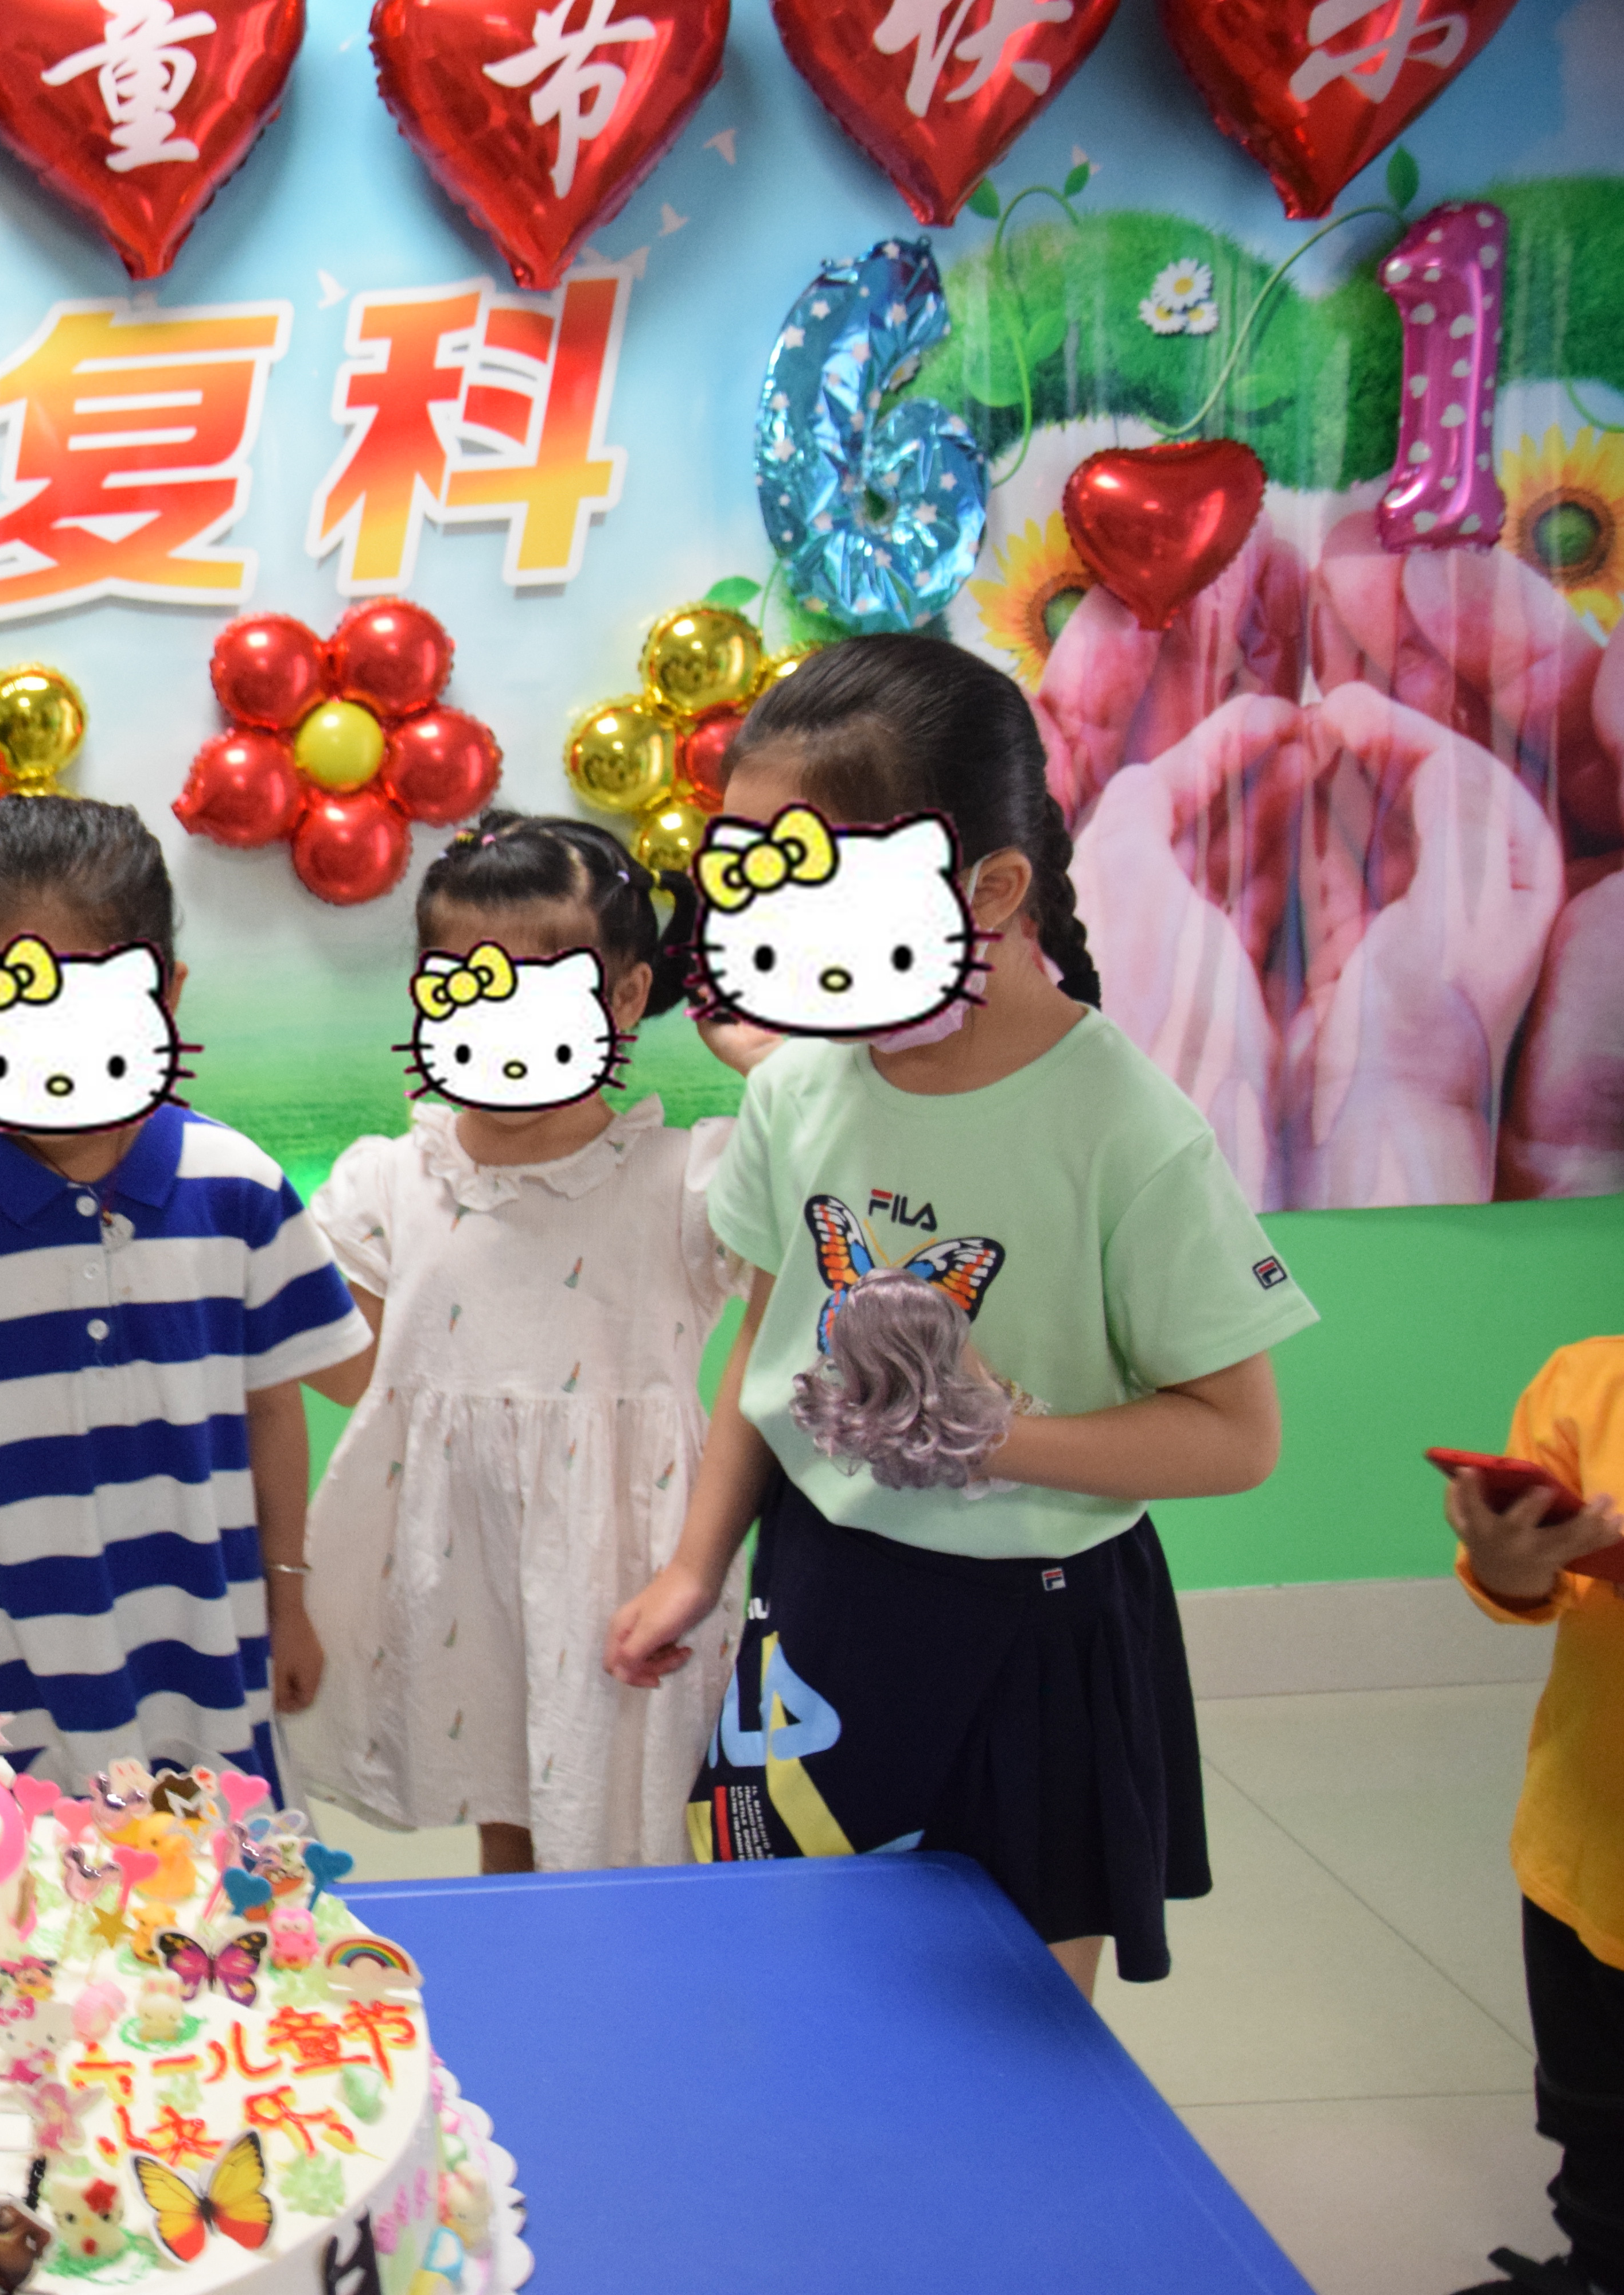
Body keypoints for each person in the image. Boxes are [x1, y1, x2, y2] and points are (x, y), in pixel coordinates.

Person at [605, 633, 1317, 1996]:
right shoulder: (798, 1086)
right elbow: (766, 1343)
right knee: (789, 1981)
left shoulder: (1127, 1130)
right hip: (820, 1592)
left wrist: (992, 1432)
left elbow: (1236, 1437)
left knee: (1006, 2026)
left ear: (990, 887)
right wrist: (699, 1563)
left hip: (1036, 1631)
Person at [0, 795, 369, 1792]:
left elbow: (273, 1405)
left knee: (228, 1888)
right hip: (19, 1726)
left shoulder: (238, 1188)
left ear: (166, 993)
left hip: (215, 1699)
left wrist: (288, 1592)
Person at [290, 812, 743, 1870]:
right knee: (505, 1796)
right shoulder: (394, 1179)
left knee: (627, 1811)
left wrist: (763, 1053)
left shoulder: (685, 1179)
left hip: (625, 1557)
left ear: (624, 997)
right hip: (461, 1561)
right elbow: (352, 1374)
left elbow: (812, 1193)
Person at [1443, 1341, 1624, 2295]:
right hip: (1585, 1841)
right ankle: (1599, 2264)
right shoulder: (1588, 1382)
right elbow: (1526, 1589)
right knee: (1591, 2103)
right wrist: (1504, 1559)